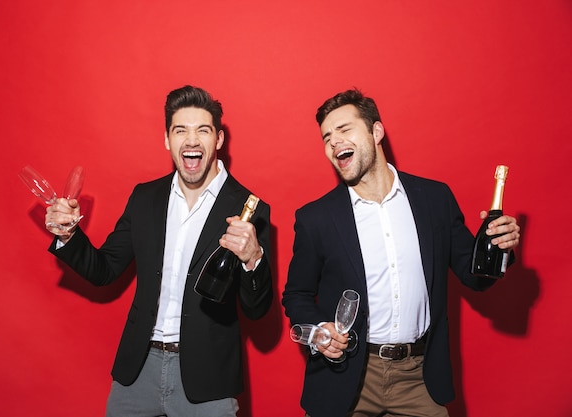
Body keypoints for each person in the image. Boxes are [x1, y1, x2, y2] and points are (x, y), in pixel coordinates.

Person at [281, 89, 520, 417]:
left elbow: (475, 276)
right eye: (326, 137)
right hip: (346, 378)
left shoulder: (434, 199)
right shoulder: (315, 218)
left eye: (344, 129)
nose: (334, 142)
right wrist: (319, 331)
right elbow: (297, 295)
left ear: (376, 131)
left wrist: (501, 247)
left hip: (418, 379)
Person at [45, 85, 272, 417]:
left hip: (208, 378)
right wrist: (68, 235)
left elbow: (257, 310)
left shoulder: (250, 208)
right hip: (138, 369)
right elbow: (104, 269)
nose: (191, 140)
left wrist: (253, 258)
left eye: (203, 130)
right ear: (167, 139)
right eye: (181, 130)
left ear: (218, 139)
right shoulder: (145, 198)